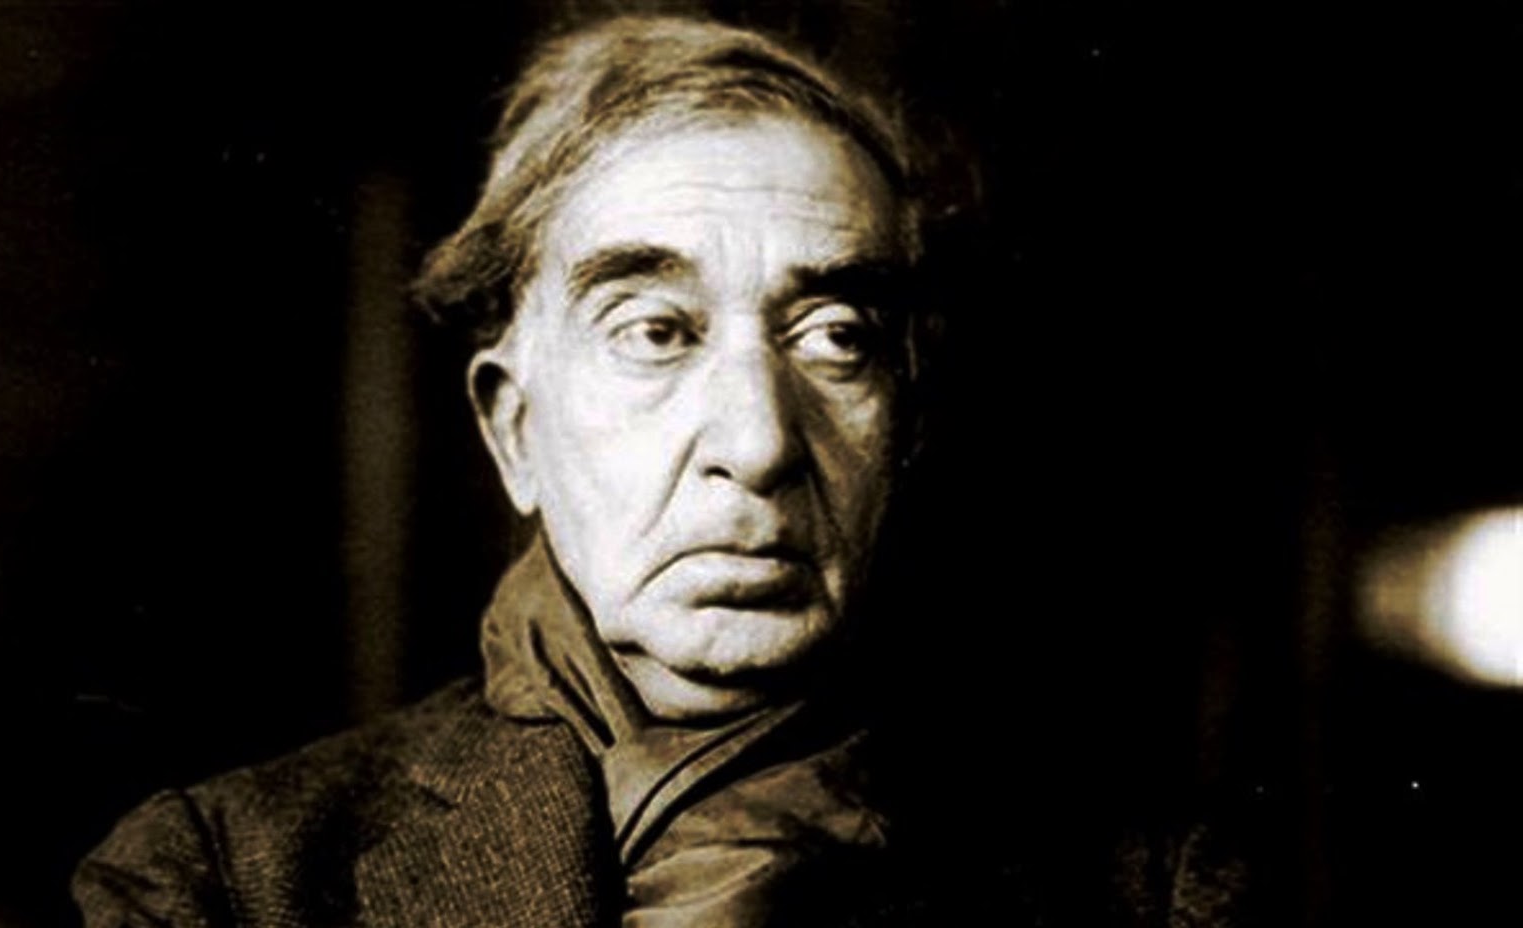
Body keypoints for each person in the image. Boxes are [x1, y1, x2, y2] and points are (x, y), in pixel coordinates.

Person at [72, 14, 1249, 927]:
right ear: (514, 431)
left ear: (905, 423)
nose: (757, 442)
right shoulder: (218, 882)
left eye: (834, 337)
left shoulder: (1151, 895)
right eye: (655, 330)